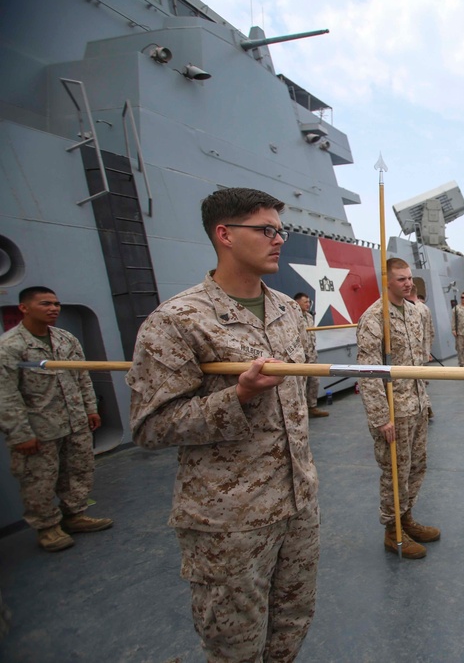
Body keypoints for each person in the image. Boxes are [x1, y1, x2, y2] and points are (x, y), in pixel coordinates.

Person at [127, 188, 319, 661]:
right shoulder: (177, 320)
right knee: (235, 645)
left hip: (298, 502)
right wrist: (238, 396)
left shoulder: (288, 312)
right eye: (266, 230)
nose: (278, 240)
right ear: (225, 234)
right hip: (229, 520)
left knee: (292, 623)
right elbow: (152, 427)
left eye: (280, 230)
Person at [0, 286, 113, 553]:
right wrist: (20, 434)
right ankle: (47, 527)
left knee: (78, 470)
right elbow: (5, 394)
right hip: (38, 428)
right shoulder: (10, 347)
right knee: (38, 479)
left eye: (56, 303)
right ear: (24, 308)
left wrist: (90, 408)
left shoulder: (66, 340)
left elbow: (82, 375)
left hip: (75, 421)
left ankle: (75, 514)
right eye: (45, 304)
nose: (54, 308)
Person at [357, 258, 437, 560]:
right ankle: (393, 531)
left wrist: (424, 401)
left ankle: (407, 519)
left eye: (409, 278)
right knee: (395, 473)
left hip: (417, 404)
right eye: (401, 279)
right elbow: (367, 372)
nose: (408, 283)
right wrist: (381, 418)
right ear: (387, 281)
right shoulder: (376, 318)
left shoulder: (415, 313)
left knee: (417, 466)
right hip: (394, 411)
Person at [294, 292, 328, 418]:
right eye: (305, 302)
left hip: (312, 354)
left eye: (309, 302)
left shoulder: (309, 317)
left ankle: (312, 407)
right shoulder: (292, 316)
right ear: (297, 302)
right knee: (300, 383)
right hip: (299, 356)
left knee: (314, 381)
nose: (308, 304)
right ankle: (299, 410)